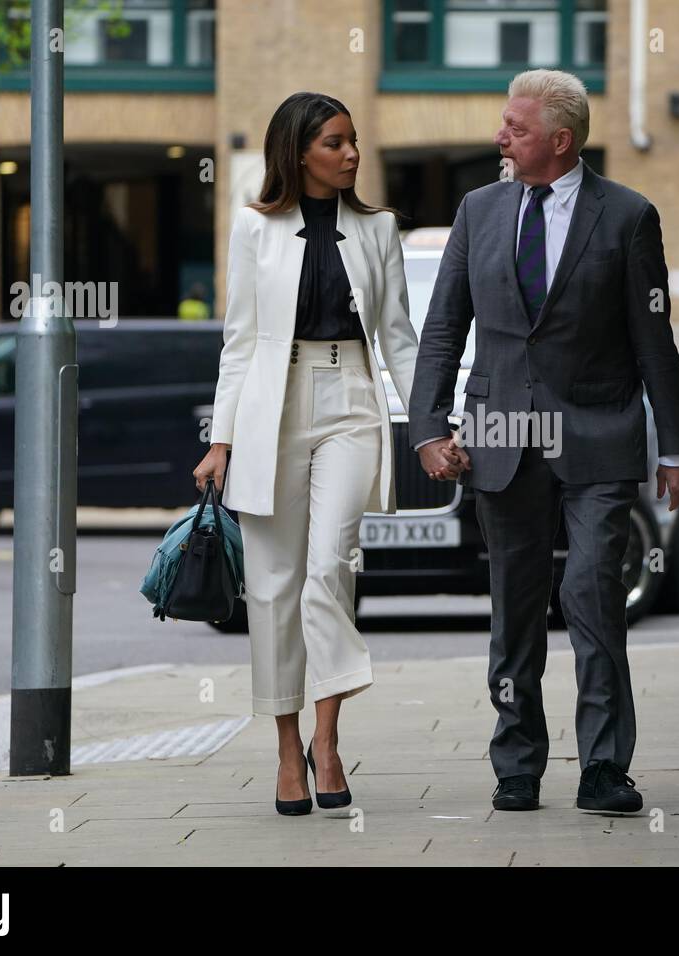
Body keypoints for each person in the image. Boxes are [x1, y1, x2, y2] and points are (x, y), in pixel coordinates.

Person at [408, 69, 679, 814]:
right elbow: (444, 328)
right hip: (501, 435)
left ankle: (603, 766)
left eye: (517, 128)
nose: (500, 137)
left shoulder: (628, 216)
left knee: (593, 589)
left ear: (560, 141)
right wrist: (429, 428)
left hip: (597, 434)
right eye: (504, 124)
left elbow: (652, 339)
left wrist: (677, 449)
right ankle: (518, 762)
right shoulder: (478, 210)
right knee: (516, 604)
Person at [192, 92, 444, 817]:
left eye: (355, 141)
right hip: (272, 405)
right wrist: (221, 439)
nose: (352, 154)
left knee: (331, 569)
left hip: (351, 402)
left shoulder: (378, 228)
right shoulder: (254, 228)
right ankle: (284, 750)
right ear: (299, 150)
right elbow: (239, 342)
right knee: (271, 587)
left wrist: (427, 425)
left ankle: (327, 740)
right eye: (336, 142)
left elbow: (398, 336)